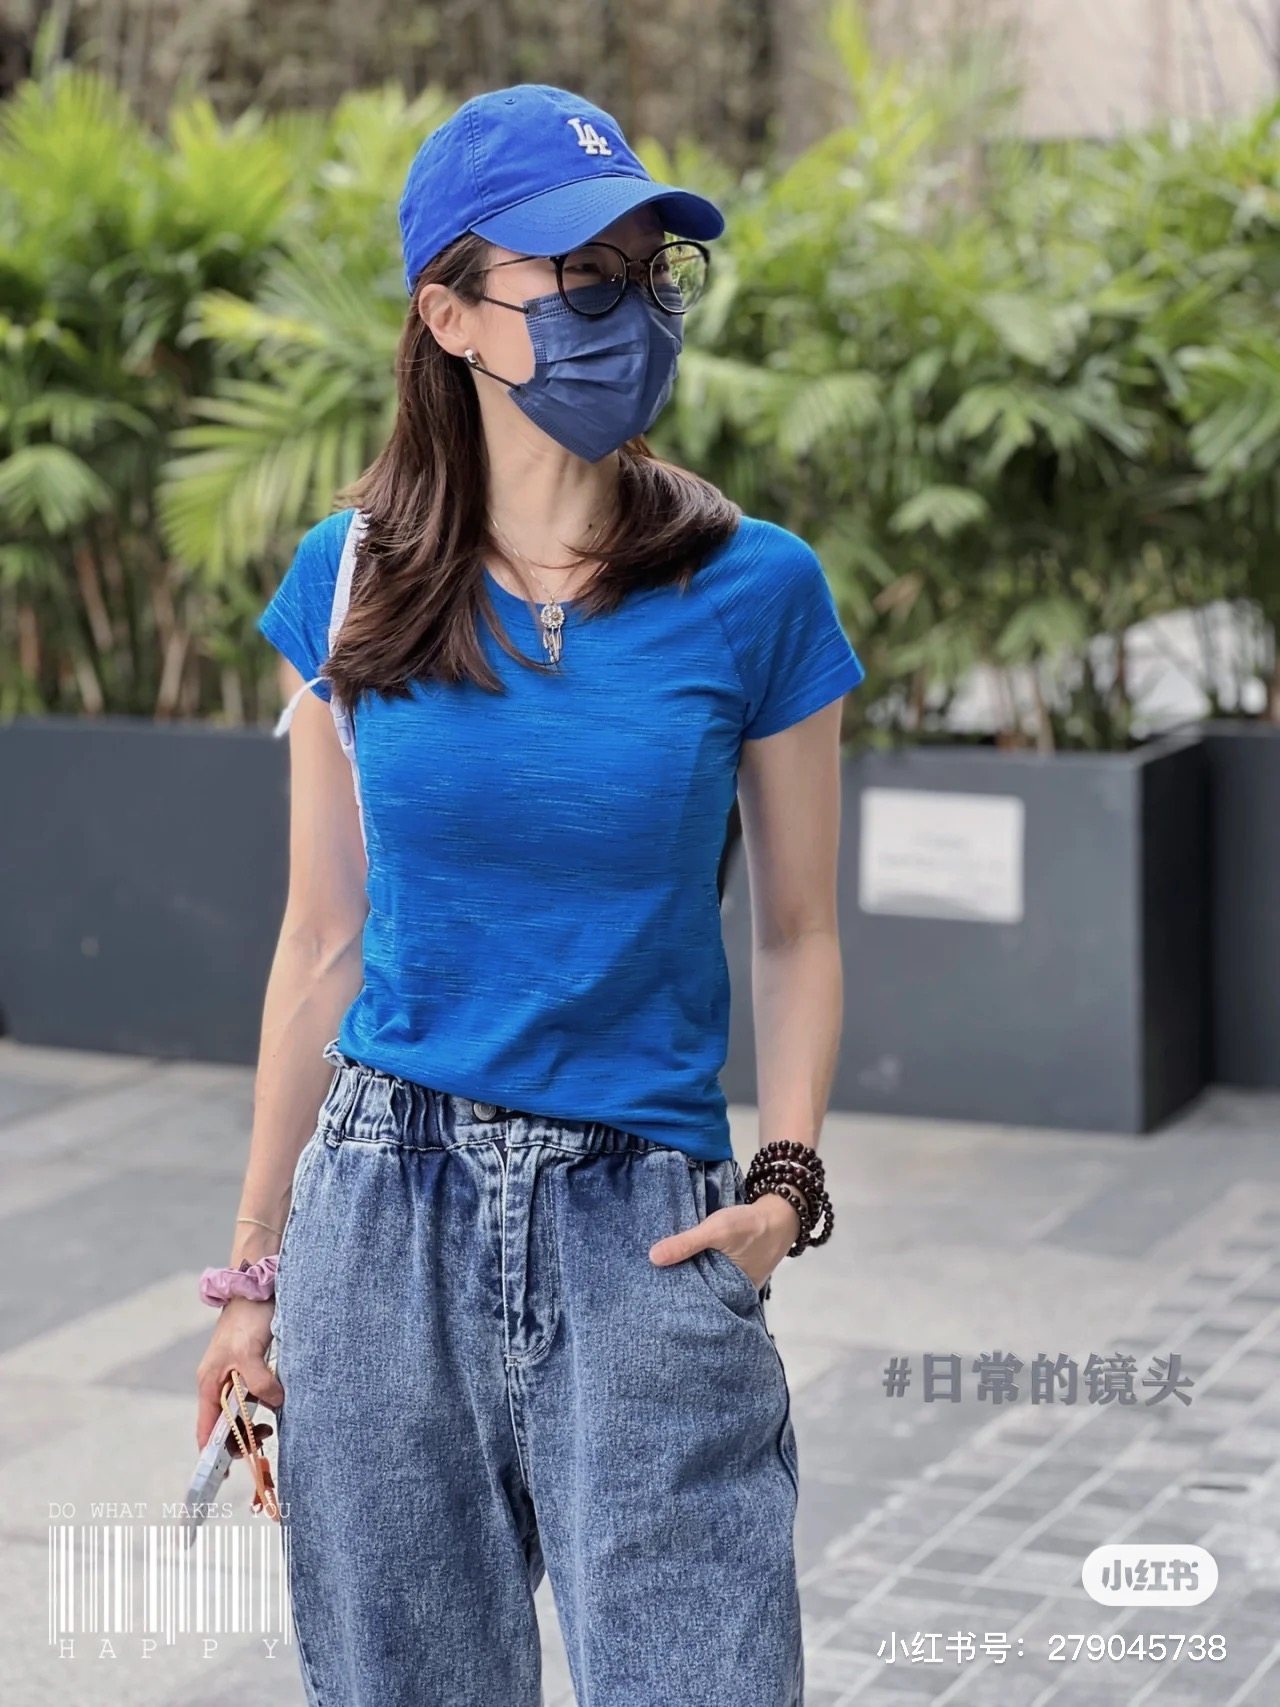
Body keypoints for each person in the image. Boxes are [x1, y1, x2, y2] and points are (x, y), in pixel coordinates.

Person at [195, 81, 865, 1707]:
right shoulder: (347, 578)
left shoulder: (758, 589)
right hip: (381, 1222)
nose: (625, 310)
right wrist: (253, 1283)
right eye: (578, 276)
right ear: (450, 316)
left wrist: (784, 1189)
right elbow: (321, 939)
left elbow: (798, 929)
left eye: (646, 272)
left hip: (647, 1228)